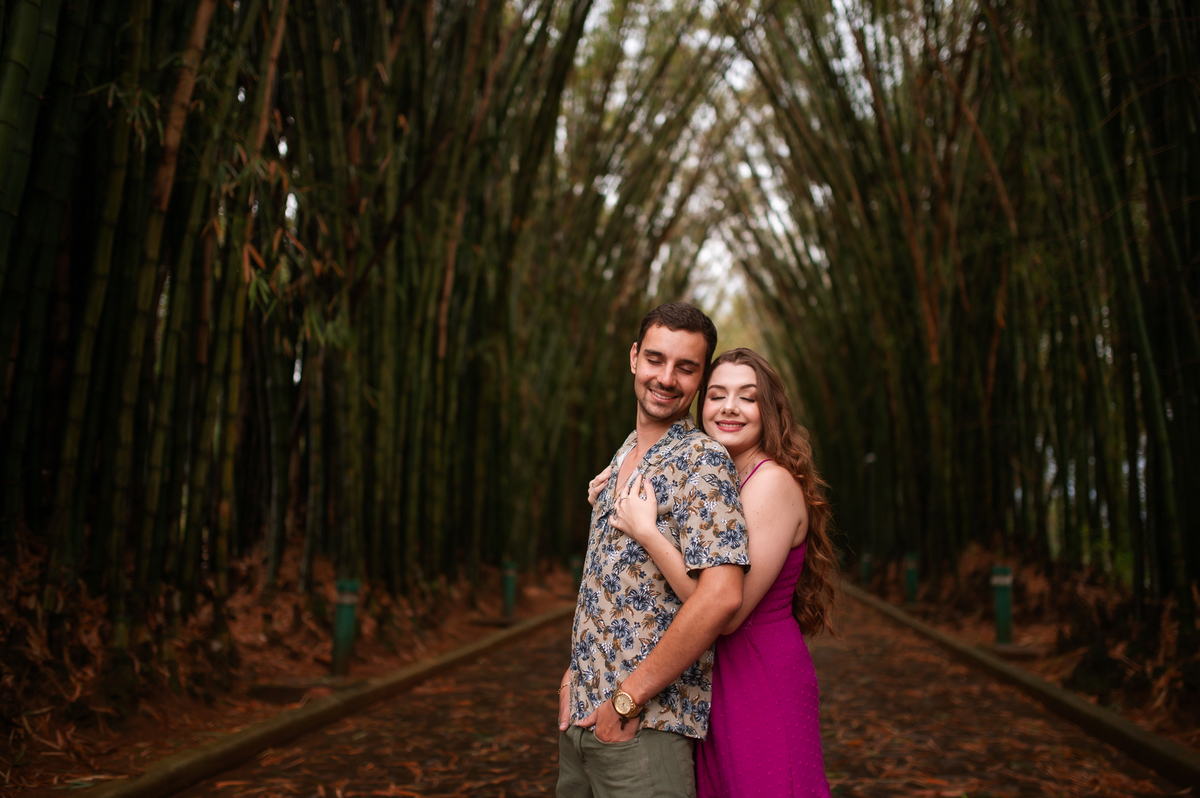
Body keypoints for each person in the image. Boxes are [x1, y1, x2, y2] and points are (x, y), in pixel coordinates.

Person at [601, 348, 837, 798]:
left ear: (769, 412)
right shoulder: (716, 478)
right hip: (712, 675)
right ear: (699, 406)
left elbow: (725, 608)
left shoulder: (770, 483)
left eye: (747, 397)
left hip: (758, 672)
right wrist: (615, 470)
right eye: (716, 394)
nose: (729, 407)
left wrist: (650, 534)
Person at [556, 303, 750, 798]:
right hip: (583, 718)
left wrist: (626, 699)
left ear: (701, 378)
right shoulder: (625, 453)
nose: (666, 378)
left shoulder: (702, 461)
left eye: (685, 368)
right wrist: (573, 675)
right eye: (656, 360)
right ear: (634, 358)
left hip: (644, 728)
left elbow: (721, 598)